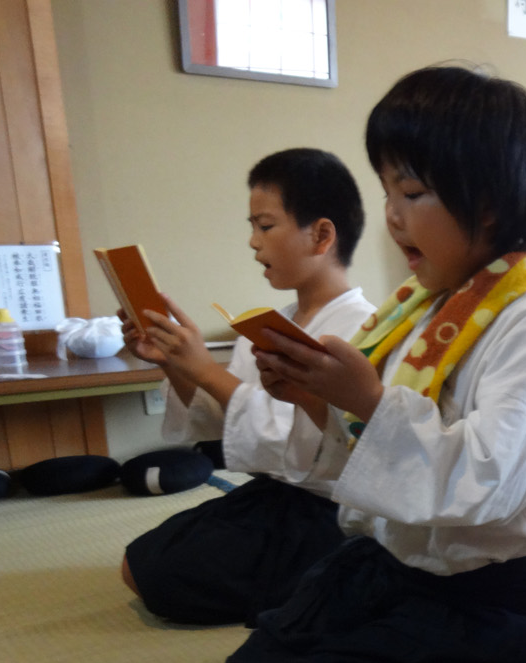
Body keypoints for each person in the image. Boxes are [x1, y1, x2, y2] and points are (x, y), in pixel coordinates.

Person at [221, 66, 526, 663]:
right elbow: (365, 469)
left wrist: (366, 401)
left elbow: (486, 482)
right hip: (403, 569)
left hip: (495, 597)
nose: (392, 215)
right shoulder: (423, 309)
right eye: (388, 189)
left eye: (414, 192)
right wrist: (315, 400)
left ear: (488, 202)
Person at [120, 148, 377, 625]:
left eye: (265, 225)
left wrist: (206, 369)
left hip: (332, 512)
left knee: (165, 579)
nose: (253, 242)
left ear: (321, 235)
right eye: (252, 226)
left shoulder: (362, 328)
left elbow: (305, 444)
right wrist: (179, 362)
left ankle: (334, 580)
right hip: (276, 499)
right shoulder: (272, 323)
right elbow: (226, 423)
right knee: (139, 560)